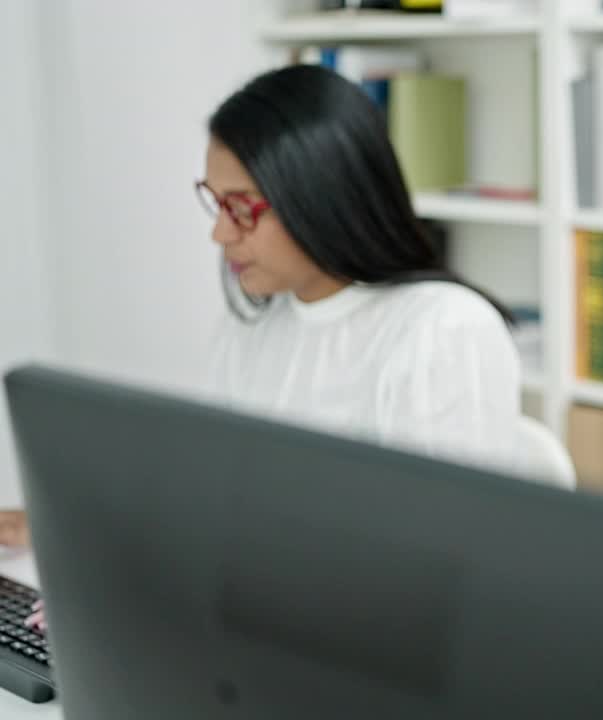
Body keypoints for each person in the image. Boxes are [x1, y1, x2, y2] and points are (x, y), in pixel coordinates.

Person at [16, 63, 539, 629]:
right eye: (216, 203)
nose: (219, 234)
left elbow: (427, 582)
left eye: (242, 208)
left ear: (322, 196)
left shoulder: (443, 330)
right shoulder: (255, 327)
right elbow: (221, 518)